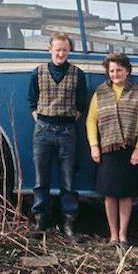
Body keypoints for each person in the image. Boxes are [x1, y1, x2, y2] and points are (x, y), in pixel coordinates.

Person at [86, 53, 138, 248]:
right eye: (112, 70)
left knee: (125, 194)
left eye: (119, 70)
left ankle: (123, 236)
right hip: (107, 149)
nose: (115, 74)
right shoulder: (100, 92)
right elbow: (91, 120)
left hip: (129, 150)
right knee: (109, 193)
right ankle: (113, 235)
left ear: (127, 71)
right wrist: (94, 145)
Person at [28, 32, 87, 237]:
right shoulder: (38, 72)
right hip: (43, 130)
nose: (61, 53)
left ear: (69, 51)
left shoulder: (77, 74)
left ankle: (69, 225)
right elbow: (31, 100)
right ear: (50, 49)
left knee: (68, 180)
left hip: (67, 131)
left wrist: (67, 120)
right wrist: (41, 119)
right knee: (40, 180)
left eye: (65, 50)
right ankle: (40, 222)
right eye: (57, 49)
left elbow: (81, 104)